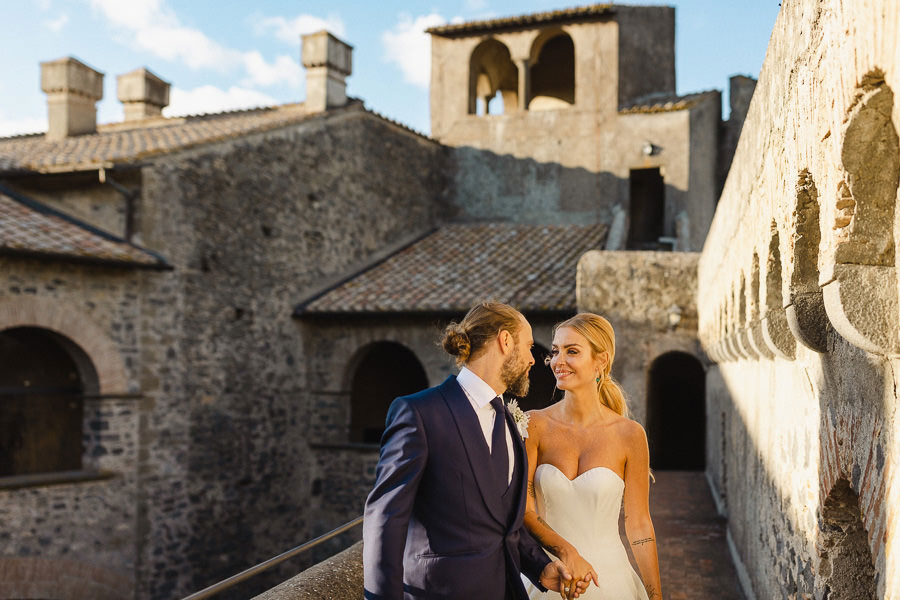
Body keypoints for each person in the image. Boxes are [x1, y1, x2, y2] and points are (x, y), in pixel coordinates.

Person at [363, 301, 589, 600]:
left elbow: (503, 525)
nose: (535, 360)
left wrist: (541, 568)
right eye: (529, 346)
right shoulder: (420, 413)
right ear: (505, 341)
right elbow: (385, 518)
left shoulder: (510, 421)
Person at [522, 313, 662, 600]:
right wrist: (566, 554)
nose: (558, 361)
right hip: (551, 575)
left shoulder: (630, 435)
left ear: (601, 361)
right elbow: (525, 511)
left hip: (610, 581)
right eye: (555, 351)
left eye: (572, 351)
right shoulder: (532, 425)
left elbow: (638, 525)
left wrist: (656, 596)